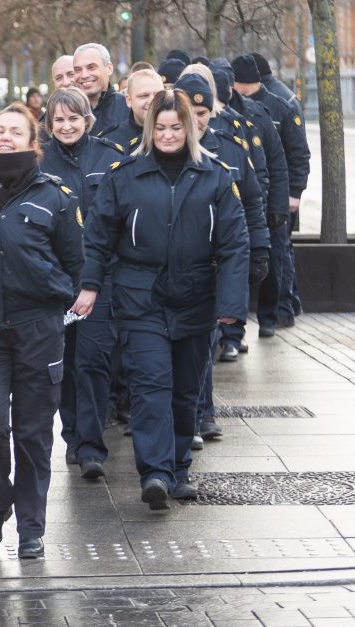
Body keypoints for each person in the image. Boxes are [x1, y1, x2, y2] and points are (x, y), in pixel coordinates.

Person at [73, 89, 249, 510]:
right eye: (161, 127)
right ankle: (154, 472)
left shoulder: (216, 176)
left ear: (189, 128)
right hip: (141, 297)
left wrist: (231, 307)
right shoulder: (125, 175)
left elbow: (233, 245)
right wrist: (91, 285)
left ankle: (179, 468)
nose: (168, 134)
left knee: (185, 390)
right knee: (151, 384)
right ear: (150, 130)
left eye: (176, 127)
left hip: (196, 298)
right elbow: (98, 237)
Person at [0, 103, 84, 558]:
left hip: (38, 328)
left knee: (32, 432)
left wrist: (50, 292)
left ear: (32, 144)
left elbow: (74, 263)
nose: (5, 137)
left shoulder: (55, 197)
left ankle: (30, 528)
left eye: (15, 132)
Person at [175, 71, 270, 448]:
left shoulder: (231, 148)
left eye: (202, 111)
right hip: (179, 262)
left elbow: (251, 202)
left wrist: (259, 249)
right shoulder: (163, 148)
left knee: (206, 339)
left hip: (217, 261)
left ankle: (203, 412)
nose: (196, 119)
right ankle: (191, 413)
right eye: (189, 110)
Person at [40, 87, 123, 478]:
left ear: (87, 119)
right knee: (64, 363)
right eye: (59, 119)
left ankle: (91, 446)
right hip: (55, 282)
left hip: (99, 279)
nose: (67, 125)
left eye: (74, 118)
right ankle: (72, 433)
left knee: (93, 361)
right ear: (49, 124)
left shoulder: (109, 158)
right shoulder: (38, 162)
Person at [232, 54, 310, 335]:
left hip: (278, 193)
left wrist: (294, 192)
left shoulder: (281, 106)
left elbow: (296, 155)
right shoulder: (235, 106)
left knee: (278, 255)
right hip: (255, 195)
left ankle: (280, 311)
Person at [72, 43, 129, 136]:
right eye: (77, 70)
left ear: (109, 68)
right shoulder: (66, 111)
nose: (84, 75)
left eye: (91, 67)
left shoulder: (129, 108)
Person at [106, 69, 164, 150]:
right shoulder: (112, 140)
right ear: (129, 100)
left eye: (158, 95)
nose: (152, 101)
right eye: (144, 96)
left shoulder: (180, 134)